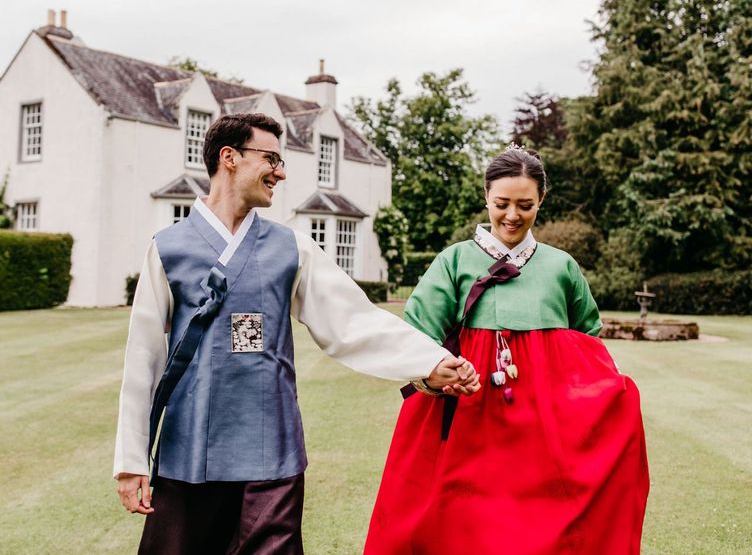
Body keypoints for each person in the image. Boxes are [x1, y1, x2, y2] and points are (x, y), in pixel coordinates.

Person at [114, 112, 480, 555]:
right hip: (188, 455)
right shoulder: (167, 249)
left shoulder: (292, 247)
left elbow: (351, 321)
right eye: (270, 158)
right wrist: (131, 461)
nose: (281, 172)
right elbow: (143, 361)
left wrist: (429, 362)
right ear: (229, 158)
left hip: (273, 457)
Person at [364, 145, 649, 555]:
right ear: (485, 196)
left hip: (546, 424)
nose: (512, 215)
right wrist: (437, 370)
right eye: (502, 203)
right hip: (466, 416)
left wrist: (609, 397)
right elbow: (417, 336)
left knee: (543, 524)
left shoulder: (561, 266)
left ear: (541, 201)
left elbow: (589, 342)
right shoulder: (454, 260)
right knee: (459, 525)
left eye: (525, 205)